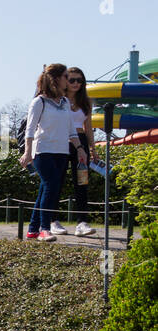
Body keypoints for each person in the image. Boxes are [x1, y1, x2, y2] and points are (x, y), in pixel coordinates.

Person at [21, 64, 85, 241]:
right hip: (43, 151)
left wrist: (80, 148)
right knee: (52, 186)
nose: (68, 79)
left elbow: (71, 129)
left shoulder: (65, 102)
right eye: (66, 76)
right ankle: (44, 228)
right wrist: (27, 153)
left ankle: (33, 229)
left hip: (61, 152)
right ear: (56, 79)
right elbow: (30, 130)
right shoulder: (39, 102)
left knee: (45, 189)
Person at [64, 67, 97, 236]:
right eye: (72, 80)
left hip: (81, 142)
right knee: (57, 181)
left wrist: (93, 148)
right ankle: (52, 220)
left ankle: (82, 222)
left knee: (82, 182)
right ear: (65, 81)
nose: (76, 83)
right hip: (62, 141)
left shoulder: (86, 101)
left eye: (80, 80)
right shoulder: (59, 100)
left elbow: (88, 127)